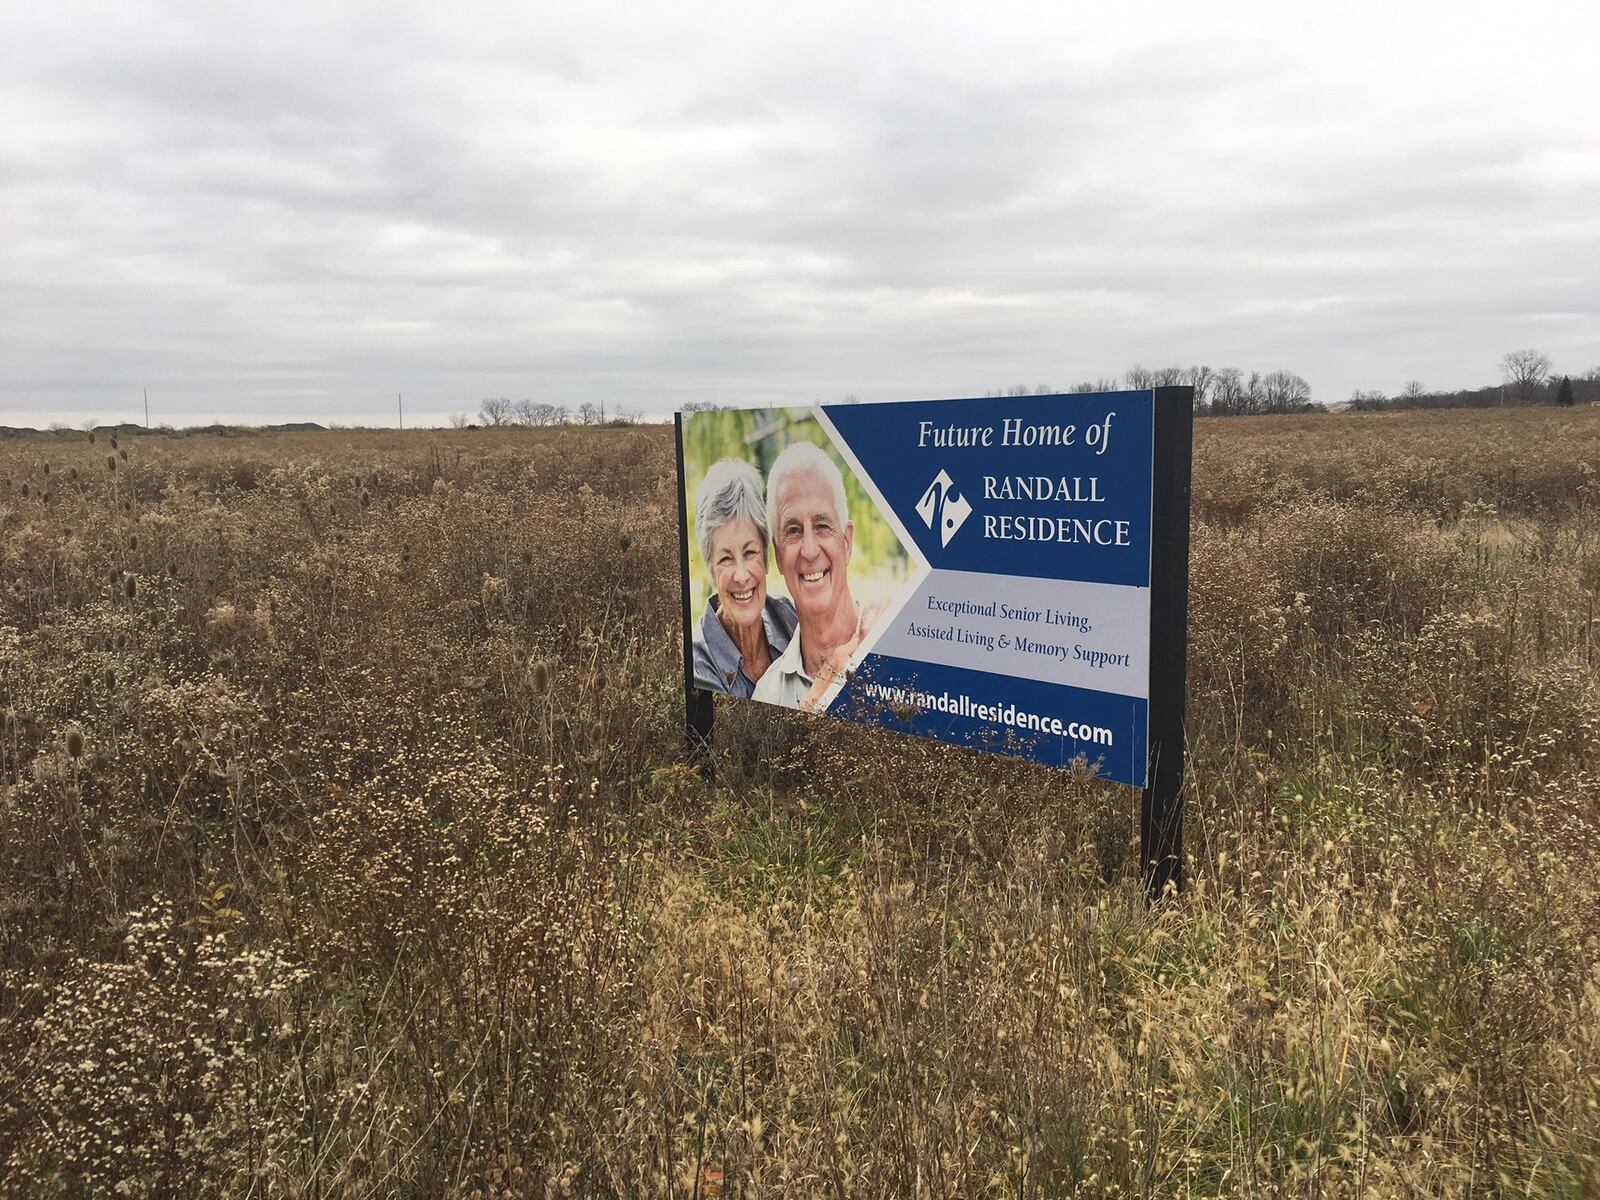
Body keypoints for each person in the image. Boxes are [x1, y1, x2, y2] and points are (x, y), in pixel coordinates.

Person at [754, 441, 883, 710]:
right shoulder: (766, 694)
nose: (810, 551)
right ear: (778, 556)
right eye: (793, 530)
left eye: (823, 526)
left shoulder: (888, 639)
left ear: (846, 543)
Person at [691, 458, 798, 697]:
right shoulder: (698, 666)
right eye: (726, 559)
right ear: (710, 570)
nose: (741, 576)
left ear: (766, 557)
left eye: (750, 552)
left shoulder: (792, 618)